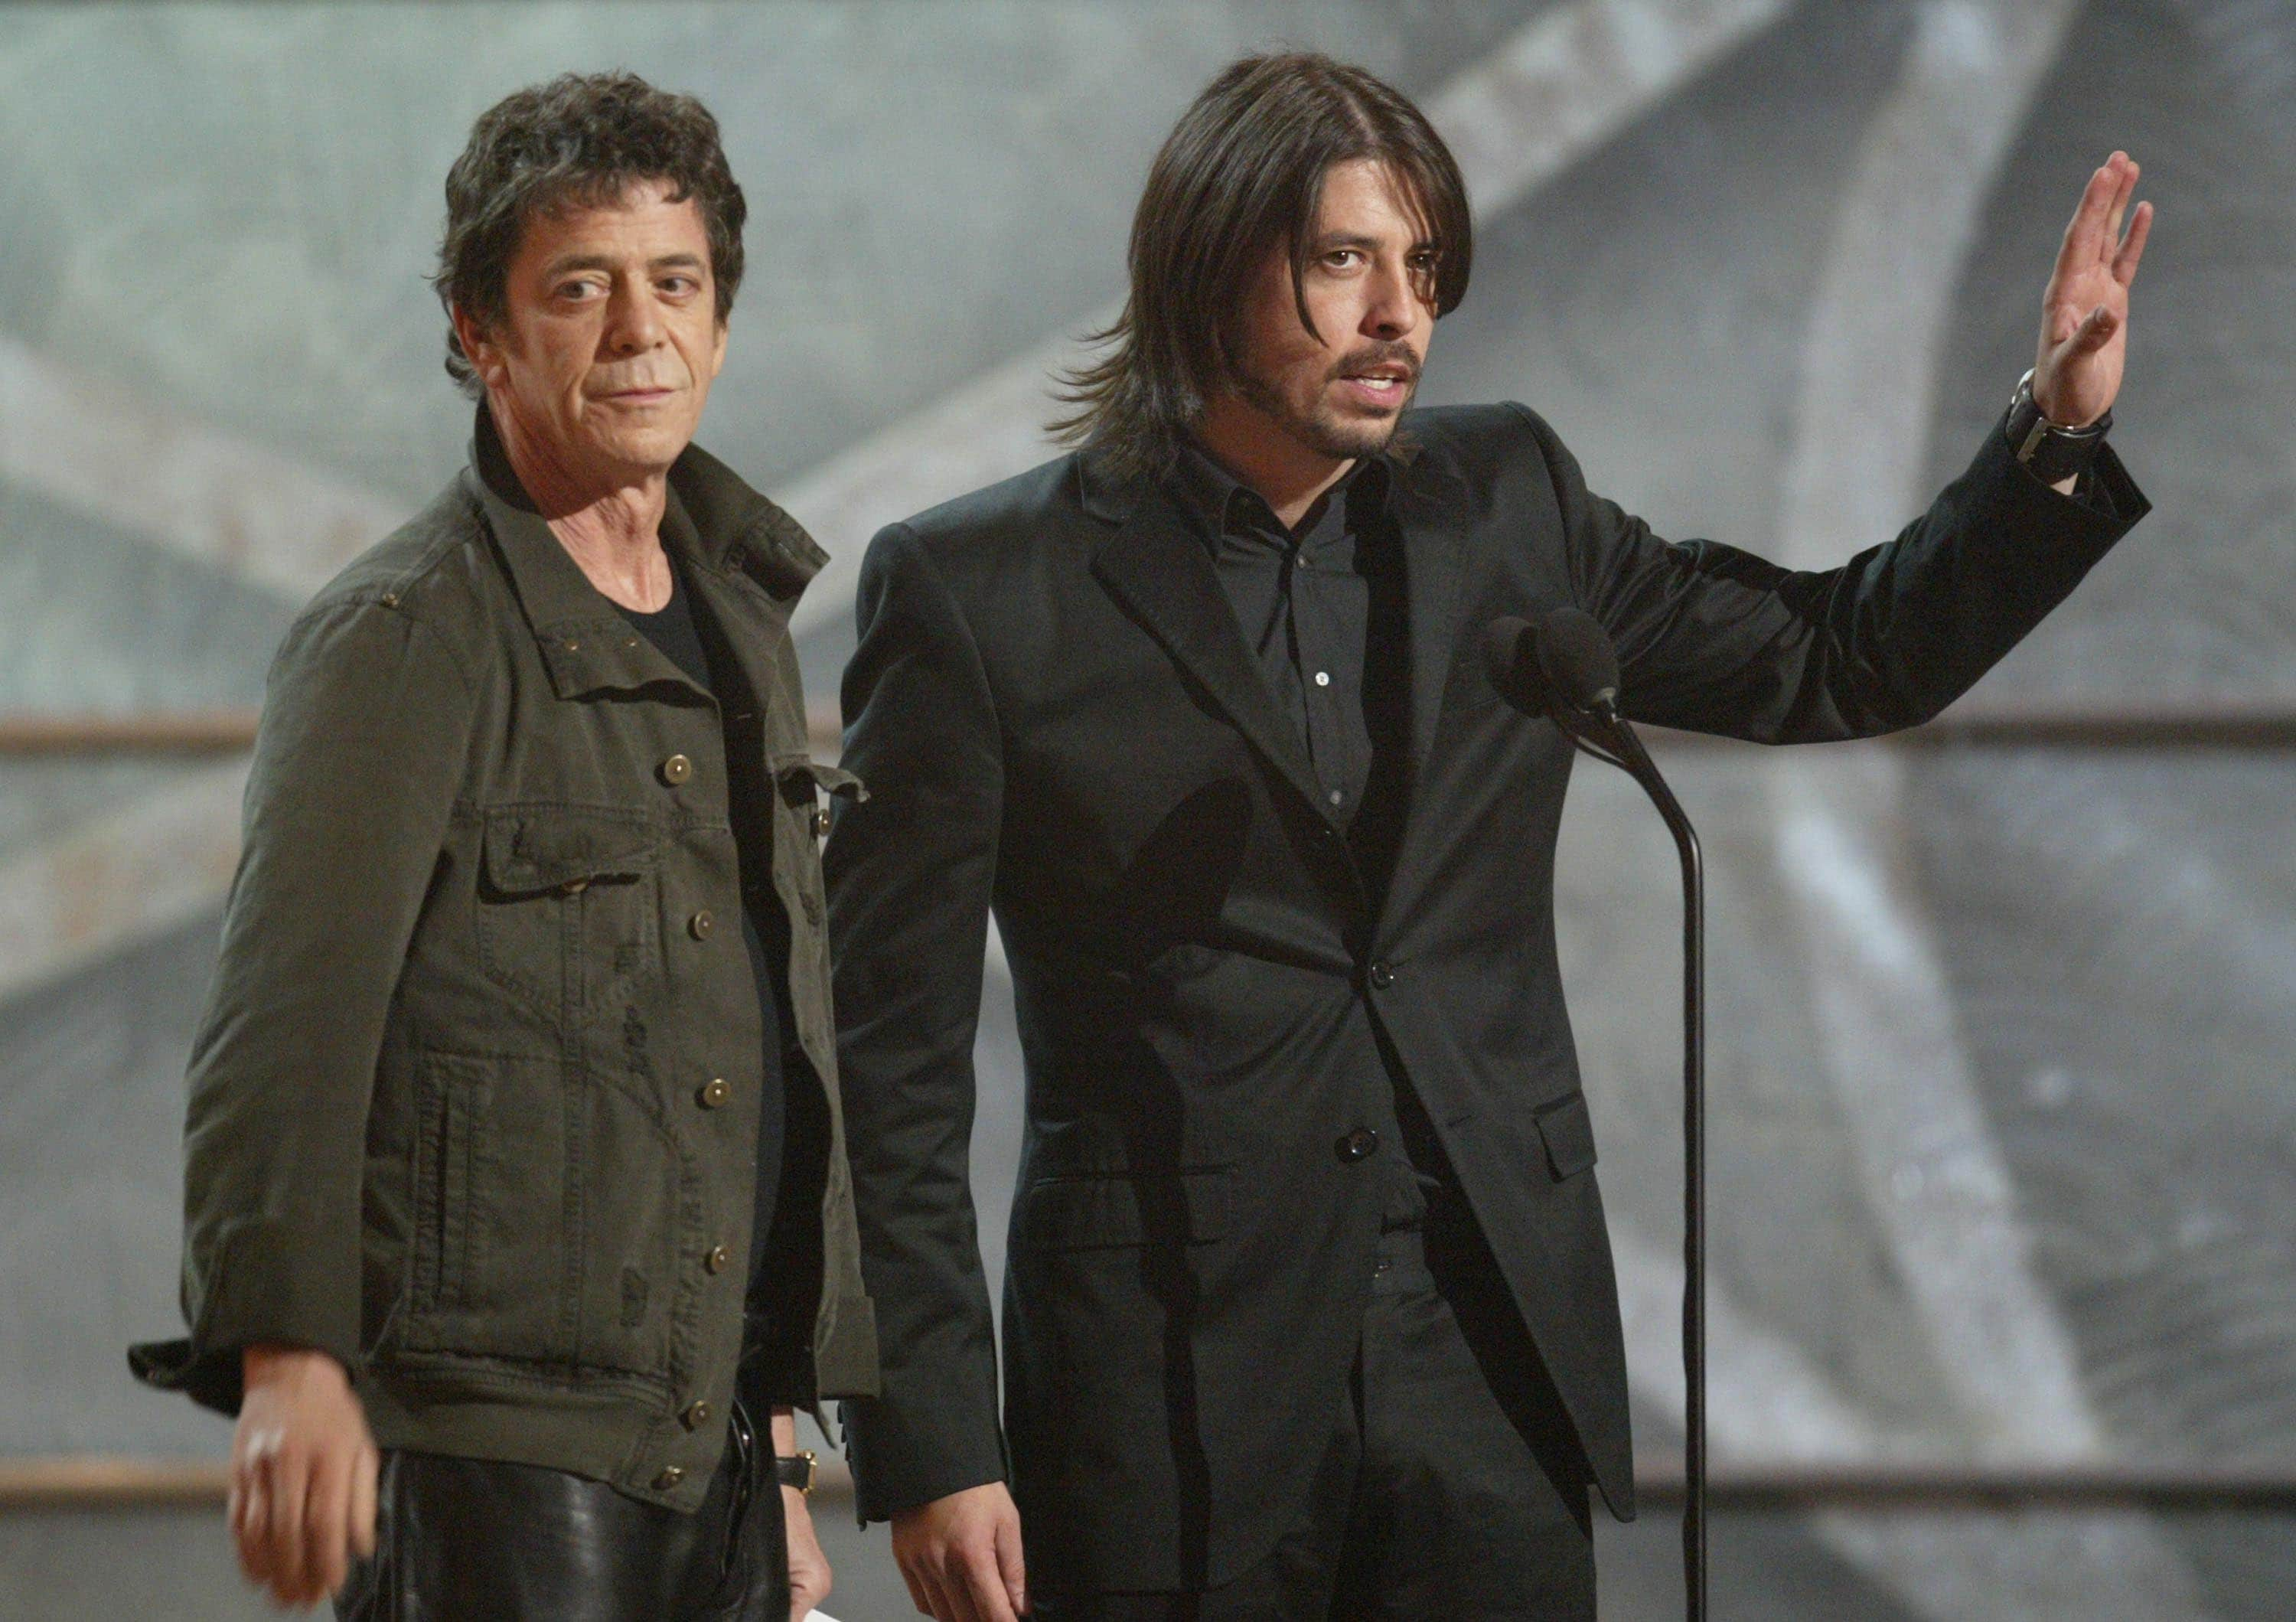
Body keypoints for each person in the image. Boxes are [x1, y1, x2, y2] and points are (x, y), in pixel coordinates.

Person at [825, 51, 2151, 1620]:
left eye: (1424, 267)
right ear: (1204, 270)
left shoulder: (1505, 500)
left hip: (1488, 1361)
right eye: (1343, 261)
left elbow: (1832, 653)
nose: (1400, 314)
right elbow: (881, 1063)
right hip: (1166, 1383)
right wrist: (929, 1443)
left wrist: (2046, 441)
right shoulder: (980, 591)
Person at [127, 72, 878, 1619]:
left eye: (676, 286)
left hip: (710, 1450)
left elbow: (747, 1071)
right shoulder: (405, 636)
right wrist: (290, 1364)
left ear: (722, 323)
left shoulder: (747, 634)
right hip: (491, 1457)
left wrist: (782, 1460)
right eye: (579, 290)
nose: (640, 333)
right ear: (481, 332)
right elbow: (288, 1032)